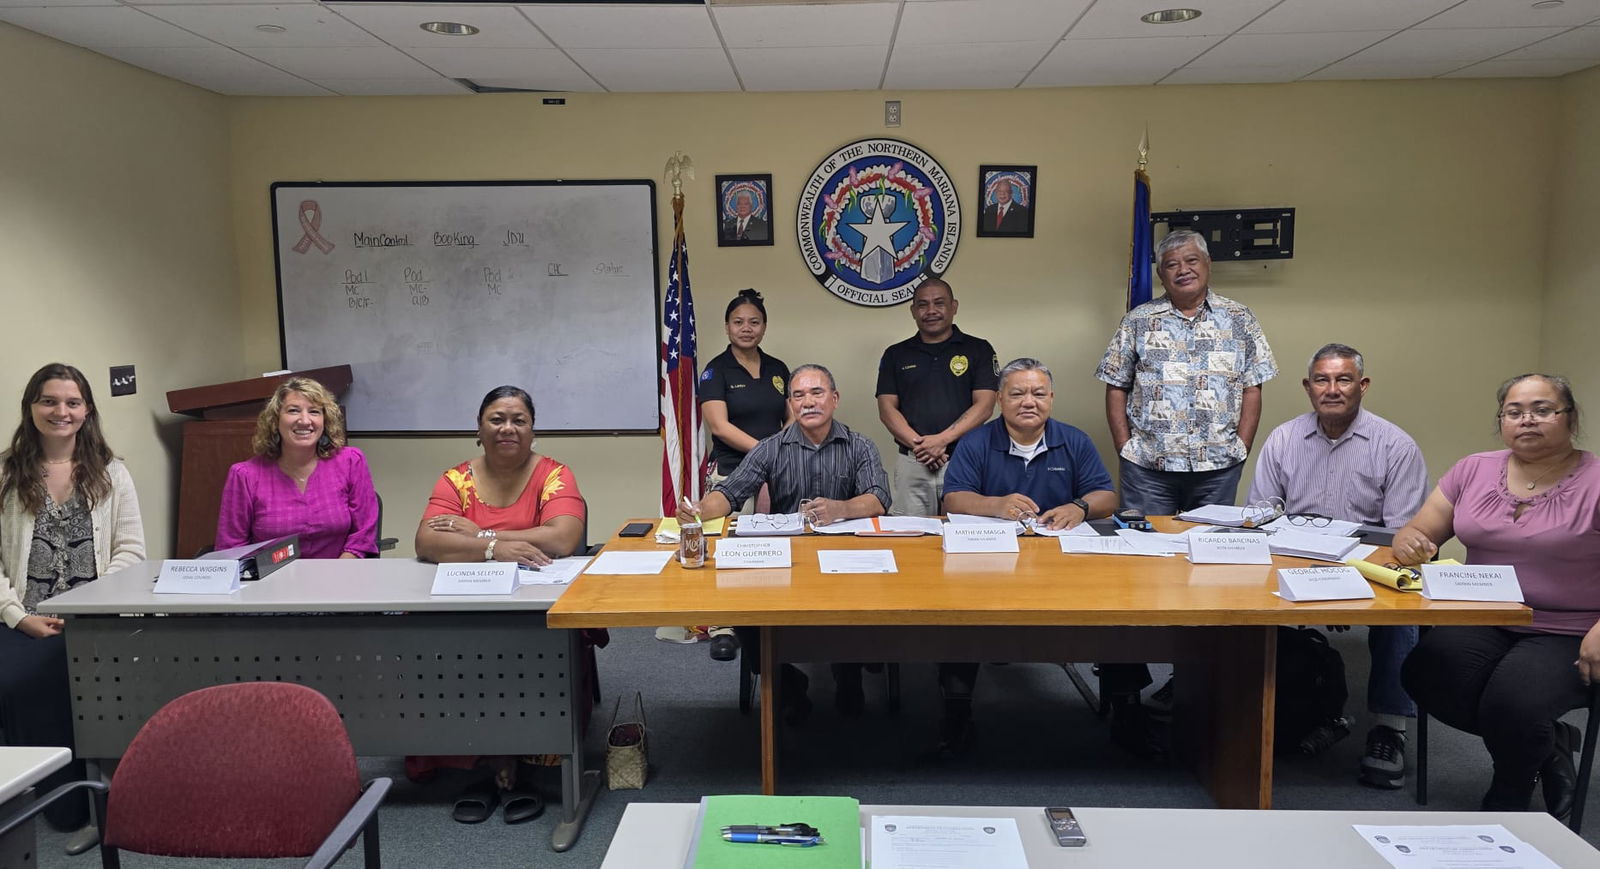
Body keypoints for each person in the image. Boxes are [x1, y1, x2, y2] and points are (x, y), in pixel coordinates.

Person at [1396, 374, 1600, 817]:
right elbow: (1419, 529)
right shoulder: (1474, 469)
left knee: (1513, 701)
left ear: (1571, 417)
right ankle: (1547, 746)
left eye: (1543, 409)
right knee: (1422, 674)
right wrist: (1409, 541)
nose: (1527, 419)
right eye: (1514, 411)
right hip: (1481, 614)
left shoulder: (1597, 479)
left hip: (1568, 628)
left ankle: (1509, 791)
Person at [1246, 343, 1428, 788]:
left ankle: (1389, 727)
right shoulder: (1284, 439)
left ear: (1362, 386)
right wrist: (1314, 579)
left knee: (1400, 616)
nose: (1332, 389)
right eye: (1322, 380)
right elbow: (1263, 514)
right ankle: (1243, 712)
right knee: (1233, 593)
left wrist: (1343, 582)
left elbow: (1400, 537)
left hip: (1368, 567)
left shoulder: (1396, 446)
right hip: (1291, 562)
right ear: (1308, 387)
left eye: (1343, 379)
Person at [413, 385, 589, 824]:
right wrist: (495, 551)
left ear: (533, 431)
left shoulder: (555, 474)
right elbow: (427, 541)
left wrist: (477, 536)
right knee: (452, 651)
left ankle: (520, 754)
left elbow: (564, 537)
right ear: (478, 429)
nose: (507, 428)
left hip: (535, 608)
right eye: (496, 419)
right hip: (465, 600)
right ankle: (481, 756)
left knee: (527, 651)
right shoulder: (455, 479)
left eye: (518, 420)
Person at [680, 364, 889, 720]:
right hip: (786, 559)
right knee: (744, 611)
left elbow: (879, 499)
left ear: (834, 399)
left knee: (863, 603)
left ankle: (848, 672)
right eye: (798, 395)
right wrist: (701, 509)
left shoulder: (860, 446)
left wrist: (841, 508)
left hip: (844, 559)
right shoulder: (771, 448)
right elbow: (730, 493)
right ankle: (788, 682)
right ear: (791, 404)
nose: (808, 402)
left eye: (817, 393)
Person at [939, 357, 1116, 757]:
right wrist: (995, 505)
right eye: (1017, 393)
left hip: (1061, 565)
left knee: (1116, 612)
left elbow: (1106, 495)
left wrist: (1079, 508)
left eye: (1038, 393)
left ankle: (1127, 709)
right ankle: (956, 713)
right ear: (1000, 399)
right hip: (987, 565)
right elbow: (953, 498)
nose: (1028, 401)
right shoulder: (976, 442)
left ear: (1051, 398)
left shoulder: (1074, 440)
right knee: (955, 616)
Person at [0, 363, 144, 838]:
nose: (61, 411)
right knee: (23, 680)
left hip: (96, 617)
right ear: (31, 407)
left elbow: (131, 552)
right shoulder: (5, 474)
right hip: (24, 617)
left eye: (72, 402)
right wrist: (19, 617)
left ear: (87, 411)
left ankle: (99, 800)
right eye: (49, 401)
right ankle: (61, 803)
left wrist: (91, 604)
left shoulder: (111, 473)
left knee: (94, 676)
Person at [1097, 228, 1278, 514]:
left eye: (1191, 261)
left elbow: (1252, 385)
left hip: (1218, 467)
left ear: (1208, 264)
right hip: (1148, 468)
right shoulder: (1137, 321)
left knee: (1208, 551)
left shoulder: (1240, 318)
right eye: (1172, 264)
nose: (1183, 270)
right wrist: (1125, 446)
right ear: (1160, 274)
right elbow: (1116, 384)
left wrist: (1242, 445)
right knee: (1146, 551)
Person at [697, 289, 789, 661]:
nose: (746, 329)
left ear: (764, 327)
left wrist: (780, 458)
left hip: (777, 473)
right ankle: (723, 626)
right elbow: (719, 426)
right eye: (738, 322)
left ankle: (767, 614)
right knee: (728, 549)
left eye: (754, 322)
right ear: (727, 326)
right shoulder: (715, 371)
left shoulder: (779, 369)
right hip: (733, 475)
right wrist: (766, 455)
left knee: (773, 548)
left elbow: (792, 421)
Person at [215, 376, 378, 559]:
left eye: (315, 412)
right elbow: (231, 550)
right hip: (271, 583)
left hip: (339, 578)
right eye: (293, 410)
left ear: (325, 421)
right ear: (275, 420)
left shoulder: (350, 461)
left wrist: (337, 576)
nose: (305, 421)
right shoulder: (245, 476)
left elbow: (363, 536)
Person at [876, 278, 998, 517]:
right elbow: (886, 408)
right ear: (913, 311)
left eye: (939, 303)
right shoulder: (895, 354)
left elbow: (985, 405)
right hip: (913, 461)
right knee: (909, 540)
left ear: (954, 307)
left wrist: (942, 440)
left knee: (966, 536)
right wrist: (922, 446)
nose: (931, 311)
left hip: (964, 459)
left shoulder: (979, 349)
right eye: (922, 305)